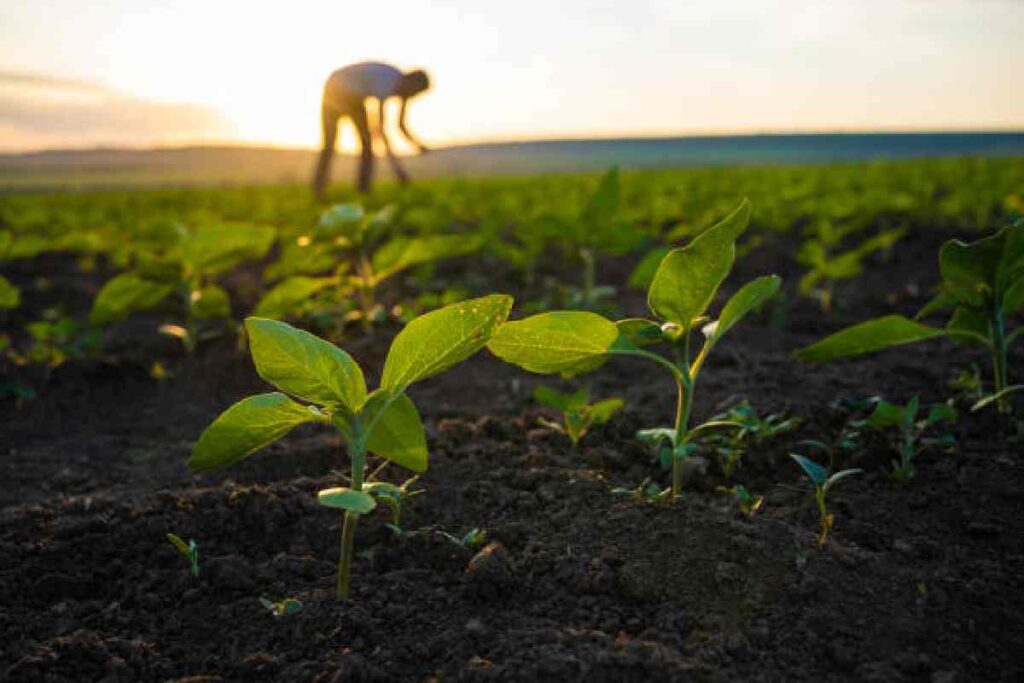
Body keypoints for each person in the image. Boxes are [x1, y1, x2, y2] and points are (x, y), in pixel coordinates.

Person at [312, 62, 431, 198]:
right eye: (414, 92)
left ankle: (321, 190)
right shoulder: (387, 83)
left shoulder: (400, 85)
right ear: (411, 83)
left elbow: (400, 125)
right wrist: (398, 170)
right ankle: (361, 191)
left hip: (334, 86)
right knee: (362, 144)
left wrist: (417, 145)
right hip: (343, 92)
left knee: (332, 145)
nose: (412, 96)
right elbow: (380, 131)